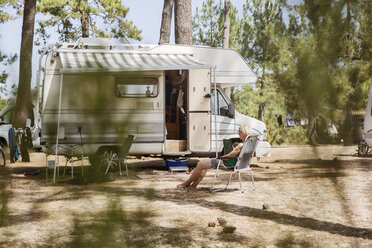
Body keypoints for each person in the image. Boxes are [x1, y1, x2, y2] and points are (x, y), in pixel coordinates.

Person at [177, 124, 252, 191]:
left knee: (200, 164)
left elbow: (230, 156)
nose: (238, 133)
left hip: (227, 164)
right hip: (237, 165)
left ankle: (186, 184)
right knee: (203, 166)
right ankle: (193, 186)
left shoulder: (241, 145)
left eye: (239, 132)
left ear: (243, 132)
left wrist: (221, 157)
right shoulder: (248, 144)